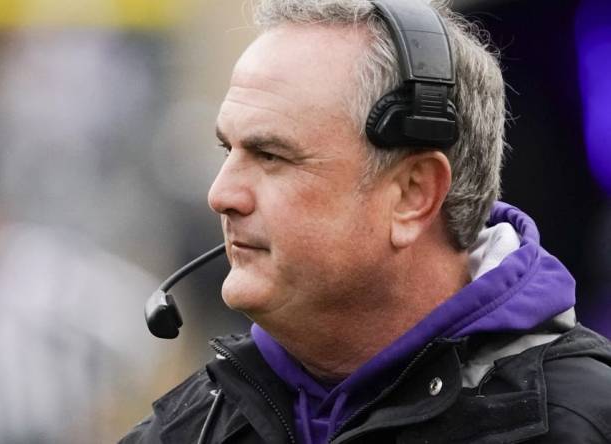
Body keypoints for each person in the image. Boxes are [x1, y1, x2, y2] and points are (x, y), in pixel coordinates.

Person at [121, 0, 611, 443]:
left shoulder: (583, 421)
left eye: (271, 155)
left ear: (413, 194)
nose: (220, 194)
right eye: (229, 151)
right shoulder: (185, 430)